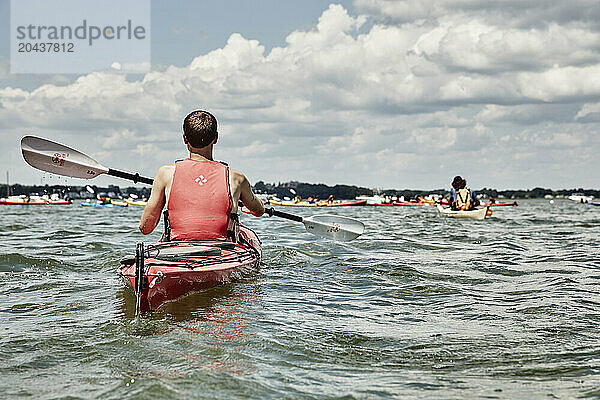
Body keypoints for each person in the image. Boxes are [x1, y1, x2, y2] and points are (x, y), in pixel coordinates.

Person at [139, 110, 265, 242]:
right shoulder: (235, 178)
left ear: (184, 138)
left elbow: (146, 228)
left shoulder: (165, 173)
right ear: (215, 138)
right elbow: (259, 210)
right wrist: (257, 206)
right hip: (223, 252)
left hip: (177, 252)